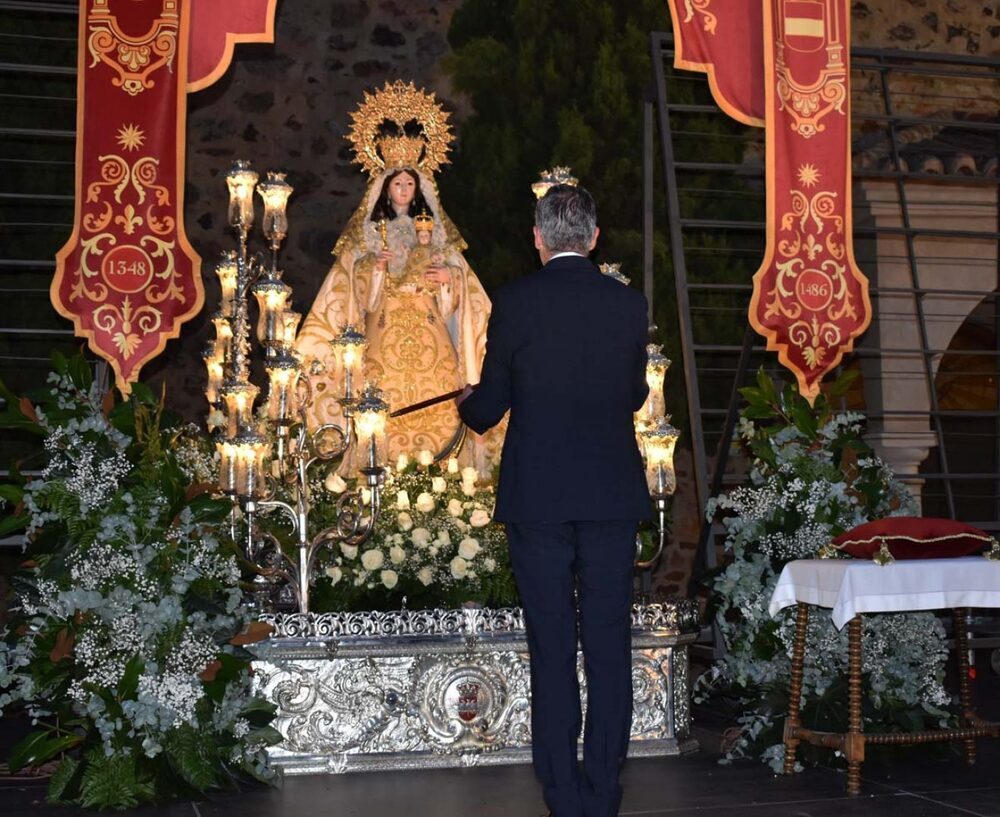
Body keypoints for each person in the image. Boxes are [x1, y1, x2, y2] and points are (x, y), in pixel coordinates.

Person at [457, 185, 651, 817]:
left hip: (538, 496)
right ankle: (603, 786)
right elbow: (630, 397)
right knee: (606, 639)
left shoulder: (515, 302)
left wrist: (466, 400)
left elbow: (489, 409)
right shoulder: (627, 304)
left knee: (551, 640)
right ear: (594, 238)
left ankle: (561, 789)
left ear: (537, 237)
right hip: (610, 494)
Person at [295, 164, 494, 467]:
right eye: (397, 183)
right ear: (385, 188)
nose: (403, 189)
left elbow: (459, 289)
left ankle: (442, 472)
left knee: (441, 402)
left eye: (409, 183)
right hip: (382, 338)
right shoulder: (368, 235)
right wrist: (374, 268)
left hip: (431, 340)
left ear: (418, 189)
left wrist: (447, 277)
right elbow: (352, 288)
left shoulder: (435, 235)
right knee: (377, 401)